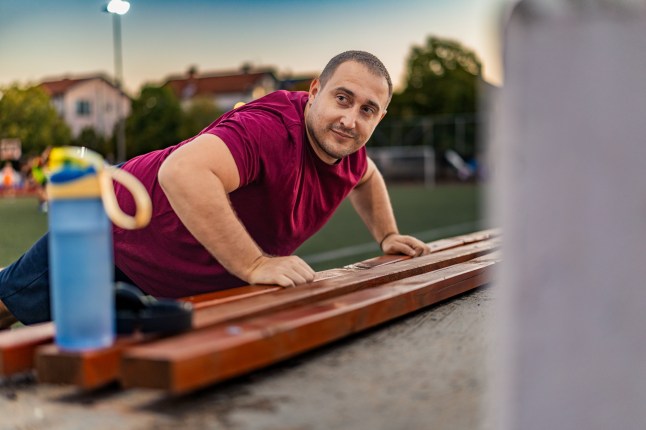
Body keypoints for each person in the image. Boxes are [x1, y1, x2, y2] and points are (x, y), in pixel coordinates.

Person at [0, 50, 430, 328]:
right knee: (11, 304)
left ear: (380, 117)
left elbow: (367, 177)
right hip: (117, 224)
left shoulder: (349, 149)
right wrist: (255, 263)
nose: (351, 119)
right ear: (314, 91)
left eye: (367, 110)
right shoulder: (269, 128)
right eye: (342, 98)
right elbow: (181, 173)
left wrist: (387, 235)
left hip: (172, 268)